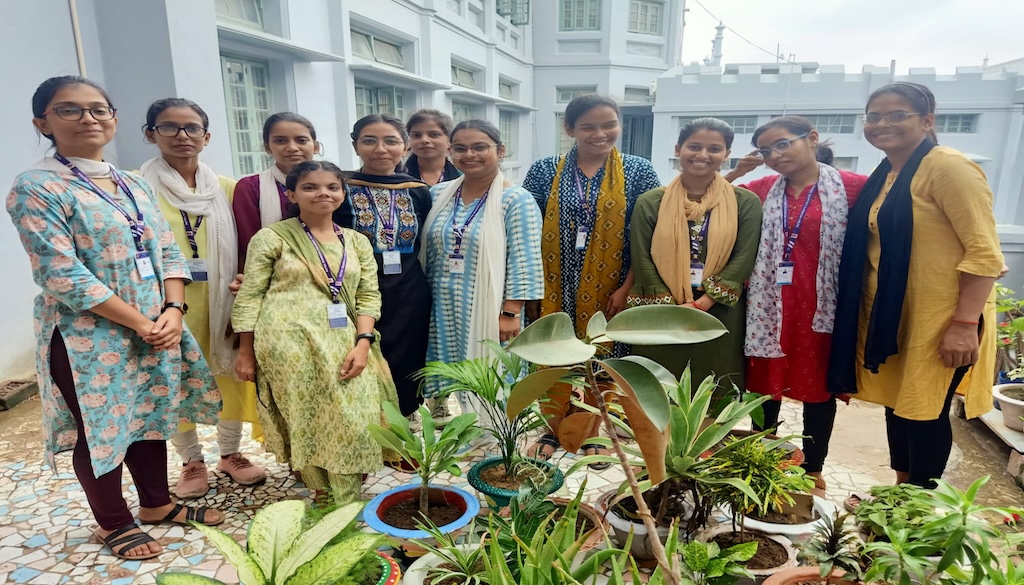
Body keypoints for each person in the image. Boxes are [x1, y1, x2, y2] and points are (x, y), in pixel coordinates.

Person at [7, 76, 224, 561]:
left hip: (156, 324)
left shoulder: (131, 183)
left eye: (99, 109)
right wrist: (139, 321)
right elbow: (60, 272)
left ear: (114, 119)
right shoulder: (37, 186)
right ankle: (113, 521)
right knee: (102, 425)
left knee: (150, 414)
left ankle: (156, 505)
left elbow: (167, 250)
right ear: (43, 122)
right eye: (70, 110)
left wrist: (172, 308)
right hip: (89, 334)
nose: (88, 118)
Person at [828, 82, 1002, 491]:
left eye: (897, 115)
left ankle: (917, 508)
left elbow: (985, 253)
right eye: (874, 117)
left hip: (940, 316)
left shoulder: (947, 166)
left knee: (924, 411)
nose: (883, 124)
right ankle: (900, 490)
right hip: (893, 313)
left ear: (927, 121)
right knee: (899, 404)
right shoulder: (889, 172)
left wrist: (964, 322)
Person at [232, 160, 398, 504]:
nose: (323, 193)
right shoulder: (272, 238)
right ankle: (322, 493)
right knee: (304, 417)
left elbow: (369, 294)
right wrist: (245, 352)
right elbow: (250, 296)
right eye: (310, 187)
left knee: (352, 418)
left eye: (332, 187)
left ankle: (348, 495)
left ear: (342, 193)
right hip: (286, 345)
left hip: (344, 342)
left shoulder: (357, 242)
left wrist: (364, 340)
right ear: (291, 194)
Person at [726, 116, 868, 497]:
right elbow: (708, 198)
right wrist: (738, 169)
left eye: (784, 144)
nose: (775, 155)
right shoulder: (761, 188)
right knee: (763, 387)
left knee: (818, 390)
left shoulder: (852, 188)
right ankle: (758, 460)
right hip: (767, 309)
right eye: (767, 150)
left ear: (813, 139)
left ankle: (813, 470)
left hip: (822, 309)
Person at [521, 94, 661, 462]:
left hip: (613, 283)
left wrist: (627, 288)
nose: (600, 134)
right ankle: (552, 430)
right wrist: (532, 288)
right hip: (555, 283)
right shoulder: (544, 170)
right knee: (553, 352)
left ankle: (592, 429)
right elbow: (528, 230)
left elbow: (648, 236)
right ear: (570, 129)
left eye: (609, 125)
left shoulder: (639, 170)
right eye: (588, 126)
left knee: (604, 352)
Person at [139, 98, 267, 499]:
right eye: (170, 127)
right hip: (165, 303)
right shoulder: (136, 187)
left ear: (207, 136)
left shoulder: (227, 188)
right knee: (175, 377)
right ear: (150, 134)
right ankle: (191, 460)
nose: (182, 136)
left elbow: (251, 239)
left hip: (223, 297)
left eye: (192, 128)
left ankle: (231, 453)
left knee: (232, 373)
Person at [419, 120, 544, 427]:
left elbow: (524, 258)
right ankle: (457, 423)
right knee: (449, 365)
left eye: (479, 147)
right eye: (460, 148)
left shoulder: (515, 199)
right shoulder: (437, 195)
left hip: (490, 304)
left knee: (493, 371)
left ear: (499, 151)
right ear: (450, 152)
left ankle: (497, 434)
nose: (469, 154)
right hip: (443, 301)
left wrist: (511, 313)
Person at [628, 117, 762, 393]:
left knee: (714, 383)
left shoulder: (744, 202)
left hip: (720, 310)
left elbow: (744, 257)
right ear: (678, 149)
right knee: (657, 385)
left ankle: (707, 437)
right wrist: (673, 306)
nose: (703, 155)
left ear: (726, 155)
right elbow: (641, 257)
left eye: (714, 149)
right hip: (660, 311)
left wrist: (702, 305)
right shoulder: (650, 201)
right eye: (694, 146)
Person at [334, 114, 431, 421]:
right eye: (369, 140)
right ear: (355, 145)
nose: (380, 149)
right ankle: (366, 412)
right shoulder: (340, 187)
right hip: (355, 283)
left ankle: (406, 410)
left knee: (408, 347)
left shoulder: (418, 190)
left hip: (408, 283)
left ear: (405, 147)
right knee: (361, 344)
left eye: (391, 141)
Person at [231, 112, 320, 267]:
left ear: (316, 146)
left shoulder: (333, 187)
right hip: (273, 278)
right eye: (280, 141)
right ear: (267, 147)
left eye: (301, 140)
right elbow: (250, 243)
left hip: (332, 277)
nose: (292, 148)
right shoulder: (251, 188)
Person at [404, 109, 461, 186]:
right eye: (416, 135)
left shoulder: (464, 179)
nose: (424, 140)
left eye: (434, 135)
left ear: (450, 140)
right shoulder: (396, 179)